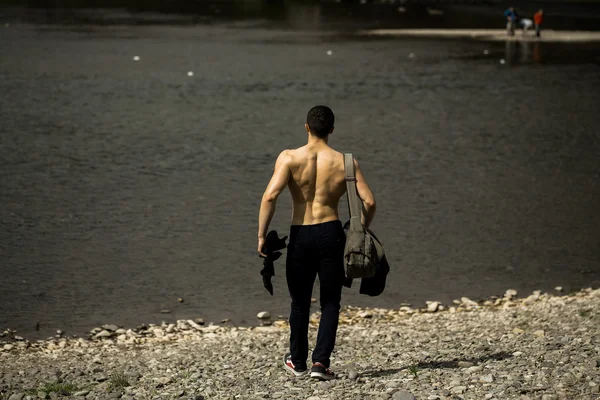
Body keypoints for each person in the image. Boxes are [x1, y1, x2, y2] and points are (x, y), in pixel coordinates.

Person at [257, 105, 376, 380]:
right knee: (330, 302)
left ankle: (297, 362)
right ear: (332, 130)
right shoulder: (346, 162)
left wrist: (262, 235)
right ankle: (320, 365)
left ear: (307, 127)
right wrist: (360, 230)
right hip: (332, 233)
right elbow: (369, 201)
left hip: (301, 234)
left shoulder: (288, 158)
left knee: (299, 303)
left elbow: (269, 197)